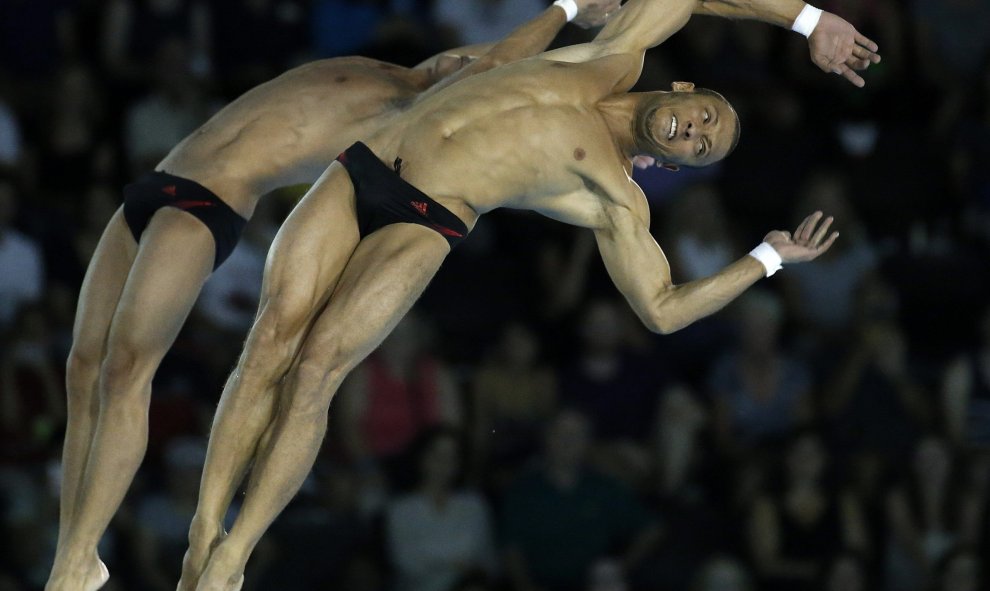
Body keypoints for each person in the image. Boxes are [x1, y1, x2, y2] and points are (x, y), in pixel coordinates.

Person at [187, 0, 881, 588]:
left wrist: (765, 257)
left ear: (674, 166)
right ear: (683, 88)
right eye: (702, 117)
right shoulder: (616, 54)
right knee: (270, 340)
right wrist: (808, 19)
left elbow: (662, 310)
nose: (693, 132)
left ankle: (236, 552)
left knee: (315, 369)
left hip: (426, 219)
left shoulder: (616, 195)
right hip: (365, 164)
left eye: (699, 147)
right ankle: (201, 537)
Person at [45, 3, 618, 589]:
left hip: (205, 203)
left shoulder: (405, 112)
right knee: (82, 368)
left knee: (125, 370)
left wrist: (569, 12)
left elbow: (507, 68)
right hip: (156, 183)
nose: (463, 57)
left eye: (469, 64)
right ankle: (75, 554)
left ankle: (80, 561)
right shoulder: (379, 67)